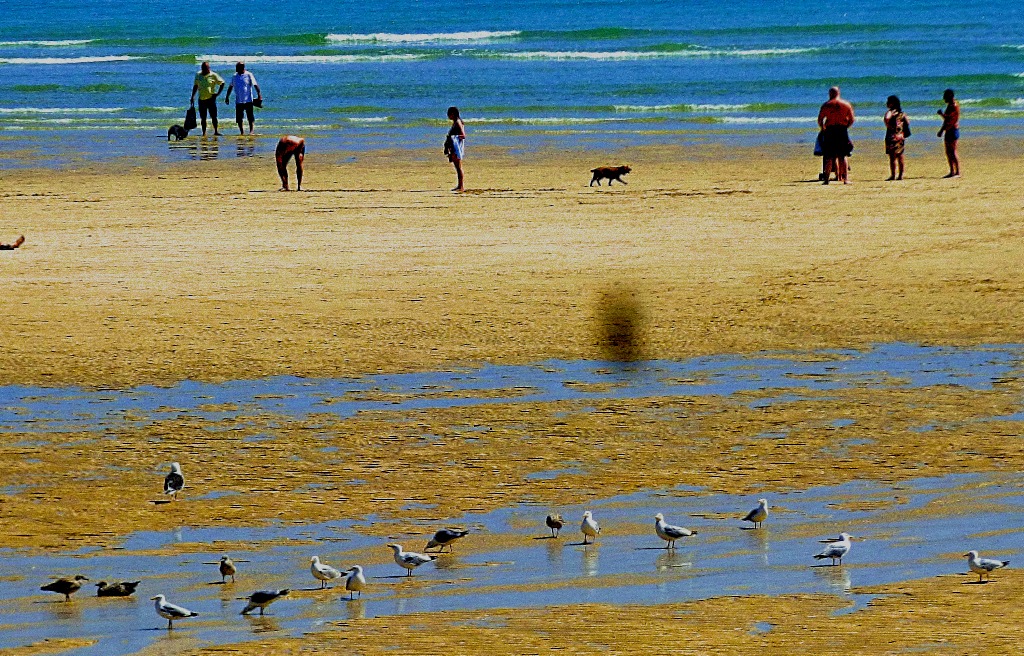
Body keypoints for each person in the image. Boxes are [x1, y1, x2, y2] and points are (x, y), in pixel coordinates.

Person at [817, 86, 855, 185]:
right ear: (839, 93)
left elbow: (820, 119)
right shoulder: (846, 104)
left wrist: (823, 128)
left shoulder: (826, 105)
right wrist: (846, 126)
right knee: (843, 156)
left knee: (829, 156)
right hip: (841, 129)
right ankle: (845, 179)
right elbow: (851, 119)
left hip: (830, 130)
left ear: (830, 93)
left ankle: (826, 180)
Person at [224, 61, 261, 136]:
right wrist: (227, 97)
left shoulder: (249, 75)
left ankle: (251, 131)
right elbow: (231, 86)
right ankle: (242, 132)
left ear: (242, 67)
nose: (236, 69)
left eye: (237, 67)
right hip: (239, 100)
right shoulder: (234, 76)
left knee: (250, 117)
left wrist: (259, 95)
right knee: (239, 118)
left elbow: (255, 85)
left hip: (248, 100)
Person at [190, 61, 224, 136]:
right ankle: (204, 133)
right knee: (203, 118)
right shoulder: (198, 75)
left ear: (209, 68)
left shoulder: (213, 75)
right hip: (201, 99)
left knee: (214, 117)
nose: (205, 69)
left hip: (211, 99)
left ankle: (216, 131)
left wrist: (218, 94)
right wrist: (193, 96)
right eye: (203, 68)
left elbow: (222, 83)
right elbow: (195, 85)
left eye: (206, 68)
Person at [883, 95, 910, 181]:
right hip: (900, 136)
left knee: (892, 157)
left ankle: (893, 175)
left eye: (888, 102)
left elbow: (886, 118)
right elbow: (907, 122)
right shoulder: (902, 113)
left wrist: (888, 126)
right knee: (900, 156)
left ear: (892, 104)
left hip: (891, 136)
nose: (887, 103)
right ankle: (900, 175)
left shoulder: (890, 112)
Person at [937, 88, 960, 178]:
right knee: (948, 151)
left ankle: (957, 171)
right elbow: (947, 120)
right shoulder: (950, 105)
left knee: (952, 151)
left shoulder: (954, 105)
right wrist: (942, 130)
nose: (944, 98)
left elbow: (950, 119)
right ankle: (952, 171)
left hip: (952, 130)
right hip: (949, 130)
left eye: (945, 97)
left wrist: (942, 114)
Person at [443, 106, 466, 192]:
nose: (448, 115)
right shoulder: (456, 122)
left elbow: (463, 135)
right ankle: (460, 185)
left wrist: (453, 138)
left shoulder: (458, 122)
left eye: (449, 114)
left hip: (456, 148)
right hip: (453, 147)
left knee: (458, 167)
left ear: (453, 114)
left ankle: (461, 186)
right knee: (457, 167)